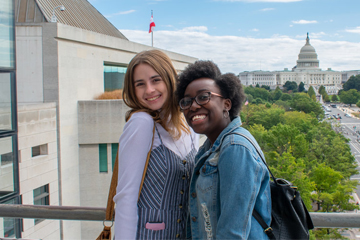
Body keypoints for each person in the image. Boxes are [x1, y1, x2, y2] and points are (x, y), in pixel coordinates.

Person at [176, 60, 271, 239]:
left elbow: (232, 233)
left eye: (203, 97)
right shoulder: (209, 149)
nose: (193, 106)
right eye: (186, 101)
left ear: (227, 104)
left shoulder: (235, 148)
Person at [113, 50, 197, 239]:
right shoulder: (141, 123)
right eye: (140, 84)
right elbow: (126, 198)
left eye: (155, 80)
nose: (149, 90)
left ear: (169, 80)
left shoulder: (187, 124)